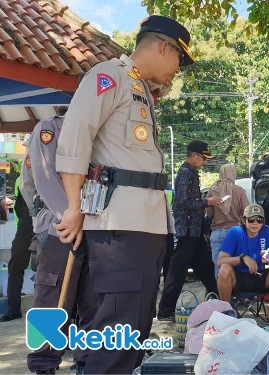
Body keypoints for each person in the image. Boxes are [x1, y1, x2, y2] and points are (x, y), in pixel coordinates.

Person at [54, 15, 195, 374]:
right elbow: (75, 140)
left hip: (144, 226)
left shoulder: (140, 89)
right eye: (180, 58)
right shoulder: (108, 76)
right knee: (117, 330)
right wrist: (74, 208)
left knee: (134, 329)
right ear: (164, 46)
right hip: (119, 227)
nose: (179, 69)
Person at [26, 107, 99, 375]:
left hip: (95, 226)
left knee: (93, 301)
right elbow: (39, 181)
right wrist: (68, 217)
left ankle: (87, 363)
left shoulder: (101, 130)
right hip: (61, 228)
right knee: (53, 300)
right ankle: (44, 367)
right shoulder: (51, 128)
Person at [157, 140, 221, 321]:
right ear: (193, 156)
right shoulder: (185, 173)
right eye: (203, 158)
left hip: (195, 231)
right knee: (177, 274)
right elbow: (181, 202)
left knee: (206, 269)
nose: (205, 162)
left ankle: (222, 301)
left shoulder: (192, 173)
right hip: (186, 231)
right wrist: (207, 202)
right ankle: (164, 312)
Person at [216, 204, 269, 326]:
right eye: (251, 219)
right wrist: (242, 258)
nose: (255, 223)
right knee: (224, 269)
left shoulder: (266, 231)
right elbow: (220, 261)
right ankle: (227, 314)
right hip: (237, 279)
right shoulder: (235, 232)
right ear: (244, 220)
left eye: (259, 220)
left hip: (260, 276)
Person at [0, 164, 35, 322]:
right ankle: (13, 311)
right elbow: (19, 207)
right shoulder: (21, 179)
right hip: (26, 225)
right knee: (15, 266)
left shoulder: (49, 173)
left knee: (47, 268)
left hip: (47, 221)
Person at [207, 164, 249, 279]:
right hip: (236, 232)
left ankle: (221, 294)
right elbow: (246, 212)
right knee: (236, 262)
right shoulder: (239, 191)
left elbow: (209, 214)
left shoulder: (212, 190)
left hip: (217, 232)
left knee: (218, 265)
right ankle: (236, 293)